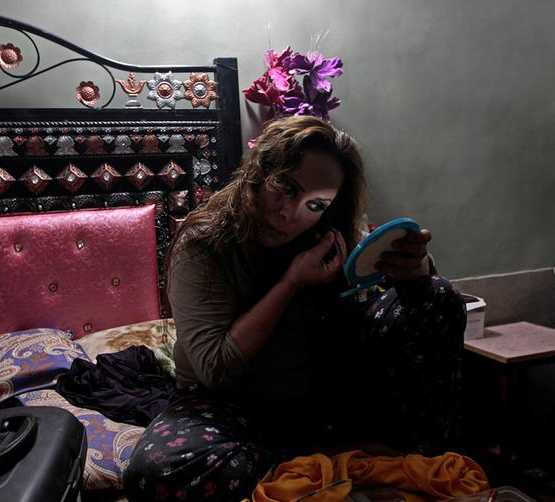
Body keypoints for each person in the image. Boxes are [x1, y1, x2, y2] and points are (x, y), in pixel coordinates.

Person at [123, 115, 466, 501]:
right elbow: (216, 370)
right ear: (261, 169)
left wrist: (415, 267)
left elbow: (385, 291)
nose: (291, 213)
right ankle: (309, 462)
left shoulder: (329, 233)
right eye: (286, 187)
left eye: (315, 204)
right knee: (157, 474)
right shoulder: (203, 245)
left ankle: (417, 456)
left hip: (319, 395)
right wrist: (291, 284)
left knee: (437, 295)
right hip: (228, 405)